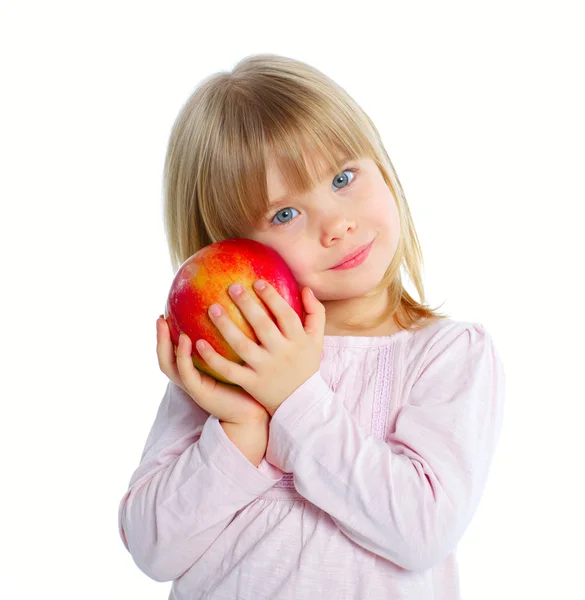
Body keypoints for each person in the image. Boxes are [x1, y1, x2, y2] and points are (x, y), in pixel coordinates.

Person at [118, 54, 506, 600]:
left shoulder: (448, 355)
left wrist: (296, 399)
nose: (337, 224)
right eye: (284, 214)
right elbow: (154, 549)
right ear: (229, 248)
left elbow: (422, 532)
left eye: (343, 178)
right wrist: (242, 428)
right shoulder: (230, 363)